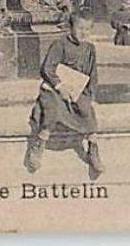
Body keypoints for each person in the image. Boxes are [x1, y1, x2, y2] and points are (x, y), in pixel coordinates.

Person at [26, 15, 104, 179]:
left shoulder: (90, 48)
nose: (84, 33)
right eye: (80, 28)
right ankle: (39, 143)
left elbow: (92, 73)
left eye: (88, 29)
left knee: (86, 109)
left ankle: (93, 149)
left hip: (77, 89)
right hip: (56, 88)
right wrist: (60, 87)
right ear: (70, 28)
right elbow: (47, 68)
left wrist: (91, 93)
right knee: (53, 107)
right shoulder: (59, 44)